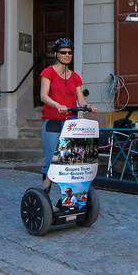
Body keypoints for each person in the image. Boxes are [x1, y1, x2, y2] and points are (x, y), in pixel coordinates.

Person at [39, 38, 96, 192]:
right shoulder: (48, 72)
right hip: (53, 122)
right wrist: (57, 105)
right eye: (63, 52)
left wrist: (88, 106)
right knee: (51, 161)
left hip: (71, 123)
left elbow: (81, 100)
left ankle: (69, 198)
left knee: (71, 162)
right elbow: (43, 96)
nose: (67, 55)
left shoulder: (75, 76)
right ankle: (45, 196)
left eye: (70, 52)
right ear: (56, 54)